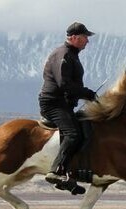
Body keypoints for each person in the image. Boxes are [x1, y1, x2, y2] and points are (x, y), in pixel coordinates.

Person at [38, 22, 97, 192]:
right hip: (53, 104)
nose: (87, 41)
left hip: (63, 104)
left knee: (86, 128)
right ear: (74, 38)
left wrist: (86, 94)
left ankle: (71, 174)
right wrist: (87, 93)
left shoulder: (72, 54)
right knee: (72, 133)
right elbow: (64, 84)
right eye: (85, 37)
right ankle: (55, 171)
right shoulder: (63, 55)